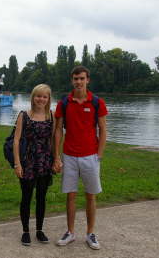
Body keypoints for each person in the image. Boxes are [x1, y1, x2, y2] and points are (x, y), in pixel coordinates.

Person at [53, 66, 108, 250]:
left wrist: (99, 155)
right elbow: (58, 129)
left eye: (82, 78)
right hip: (69, 155)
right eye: (75, 78)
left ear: (87, 80)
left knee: (90, 196)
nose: (78, 82)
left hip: (90, 156)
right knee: (71, 195)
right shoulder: (64, 103)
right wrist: (57, 155)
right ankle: (70, 232)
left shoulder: (97, 102)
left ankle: (90, 233)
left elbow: (103, 129)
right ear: (72, 80)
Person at [13, 84, 55, 246]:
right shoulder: (24, 115)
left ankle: (39, 230)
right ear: (33, 97)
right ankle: (25, 231)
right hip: (28, 161)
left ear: (48, 99)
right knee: (26, 197)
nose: (41, 99)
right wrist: (17, 164)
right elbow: (16, 141)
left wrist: (55, 159)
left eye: (45, 96)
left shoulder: (51, 115)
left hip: (44, 162)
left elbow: (52, 140)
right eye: (38, 96)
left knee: (41, 198)